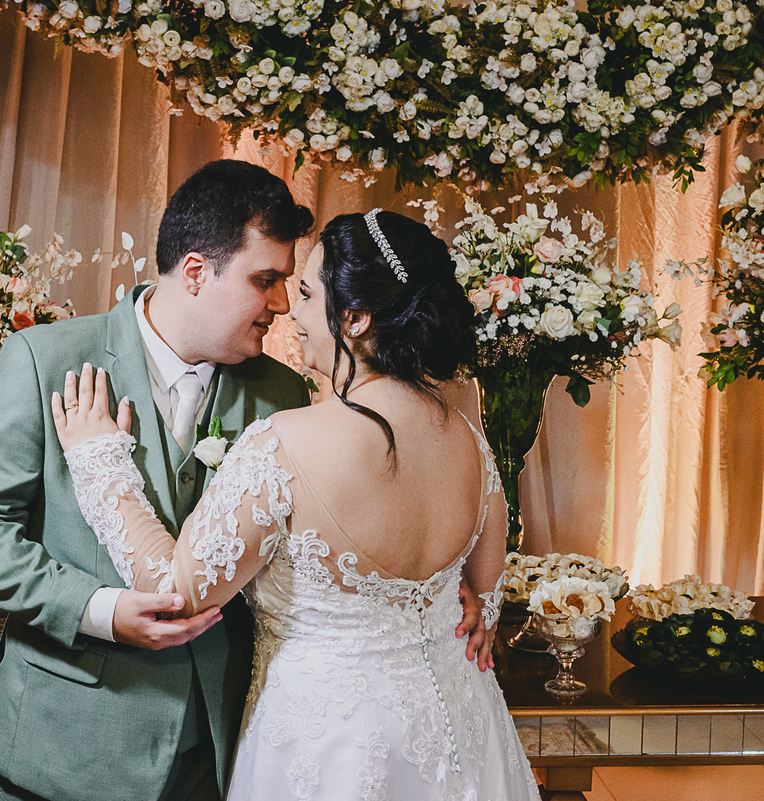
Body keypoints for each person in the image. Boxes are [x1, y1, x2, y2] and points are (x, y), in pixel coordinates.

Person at [51, 209, 540, 800]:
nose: (292, 312)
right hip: (462, 725)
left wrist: (101, 463)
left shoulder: (285, 443)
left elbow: (174, 593)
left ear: (354, 318)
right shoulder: (467, 437)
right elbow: (483, 593)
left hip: (329, 741)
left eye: (307, 294)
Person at [0, 159, 315, 801]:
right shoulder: (46, 360)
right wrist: (96, 610)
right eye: (265, 280)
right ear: (196, 272)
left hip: (218, 750)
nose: (280, 304)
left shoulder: (282, 393)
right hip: (67, 749)